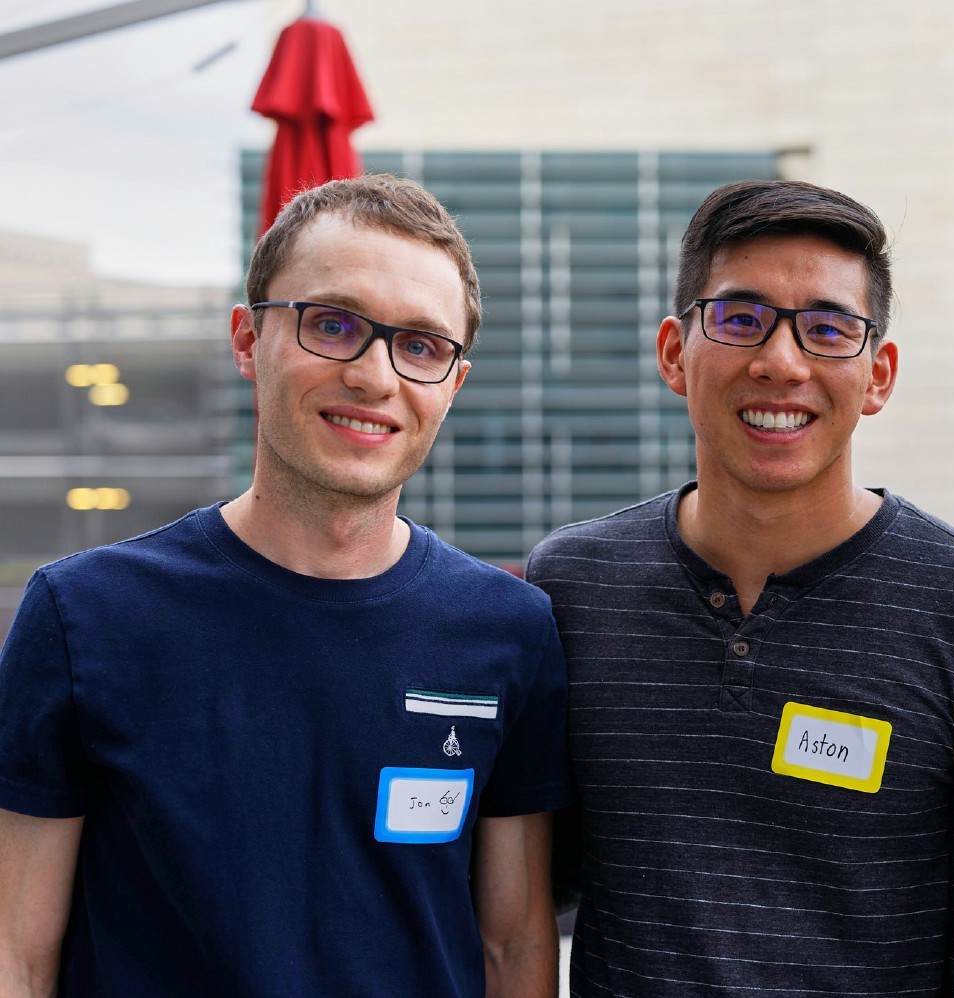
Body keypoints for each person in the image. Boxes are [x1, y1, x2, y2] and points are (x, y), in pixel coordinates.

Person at [0, 174, 570, 997]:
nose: (376, 376)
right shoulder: (84, 616)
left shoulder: (508, 630)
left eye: (420, 345)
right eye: (333, 324)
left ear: (453, 384)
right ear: (246, 340)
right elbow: (17, 956)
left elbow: (514, 948)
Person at [526, 179, 954, 996]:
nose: (781, 362)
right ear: (675, 352)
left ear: (878, 374)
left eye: (827, 329)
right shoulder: (573, 586)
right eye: (741, 319)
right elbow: (525, 885)